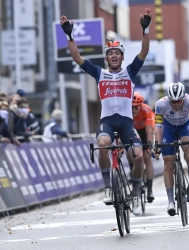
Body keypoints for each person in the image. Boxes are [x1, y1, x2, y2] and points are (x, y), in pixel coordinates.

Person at [60, 8, 152, 215]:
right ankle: (108, 187)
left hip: (127, 123)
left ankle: (136, 192)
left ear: (121, 56)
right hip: (107, 122)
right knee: (102, 145)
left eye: (117, 53)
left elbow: (144, 52)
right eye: (110, 53)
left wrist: (145, 29)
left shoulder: (130, 72)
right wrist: (68, 34)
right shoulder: (99, 73)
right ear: (107, 57)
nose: (113, 56)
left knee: (138, 156)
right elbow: (76, 57)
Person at [152, 82, 189, 216]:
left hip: (185, 126)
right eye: (172, 102)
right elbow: (158, 127)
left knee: (187, 144)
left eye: (178, 101)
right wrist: (156, 145)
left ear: (183, 98)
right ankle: (170, 202)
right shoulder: (160, 104)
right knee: (168, 162)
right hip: (168, 128)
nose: (175, 104)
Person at [127, 92, 155, 203]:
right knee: (130, 152)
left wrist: (149, 144)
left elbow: (149, 130)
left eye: (136, 108)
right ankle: (132, 171)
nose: (134, 110)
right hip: (132, 131)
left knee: (147, 157)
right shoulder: (126, 111)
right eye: (132, 107)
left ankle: (150, 189)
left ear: (141, 106)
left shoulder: (146, 110)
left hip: (144, 131)